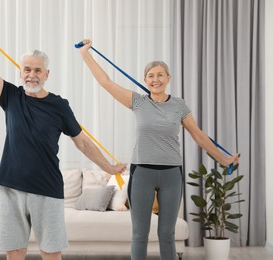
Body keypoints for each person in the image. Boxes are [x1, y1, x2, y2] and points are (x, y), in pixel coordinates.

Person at [0, 10, 127, 260]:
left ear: (46, 74)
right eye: (27, 69)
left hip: (47, 187)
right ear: (20, 73)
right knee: (15, 252)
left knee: (51, 252)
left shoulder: (59, 106)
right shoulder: (10, 96)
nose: (31, 74)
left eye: (37, 70)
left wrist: (108, 168)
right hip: (11, 186)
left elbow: (84, 143)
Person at [77, 39, 240, 260]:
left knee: (166, 233)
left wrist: (224, 160)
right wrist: (85, 54)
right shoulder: (138, 102)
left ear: (168, 78)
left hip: (171, 173)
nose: (156, 79)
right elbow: (105, 82)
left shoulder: (179, 105)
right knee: (140, 233)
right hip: (142, 172)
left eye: (160, 75)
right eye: (151, 75)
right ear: (145, 80)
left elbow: (199, 135)